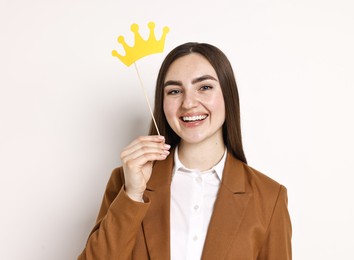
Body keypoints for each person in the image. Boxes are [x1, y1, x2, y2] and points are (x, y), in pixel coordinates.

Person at [78, 42, 292, 260]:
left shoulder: (269, 197)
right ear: (162, 103)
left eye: (205, 87)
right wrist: (133, 195)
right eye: (175, 91)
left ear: (228, 95)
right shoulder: (126, 182)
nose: (188, 103)